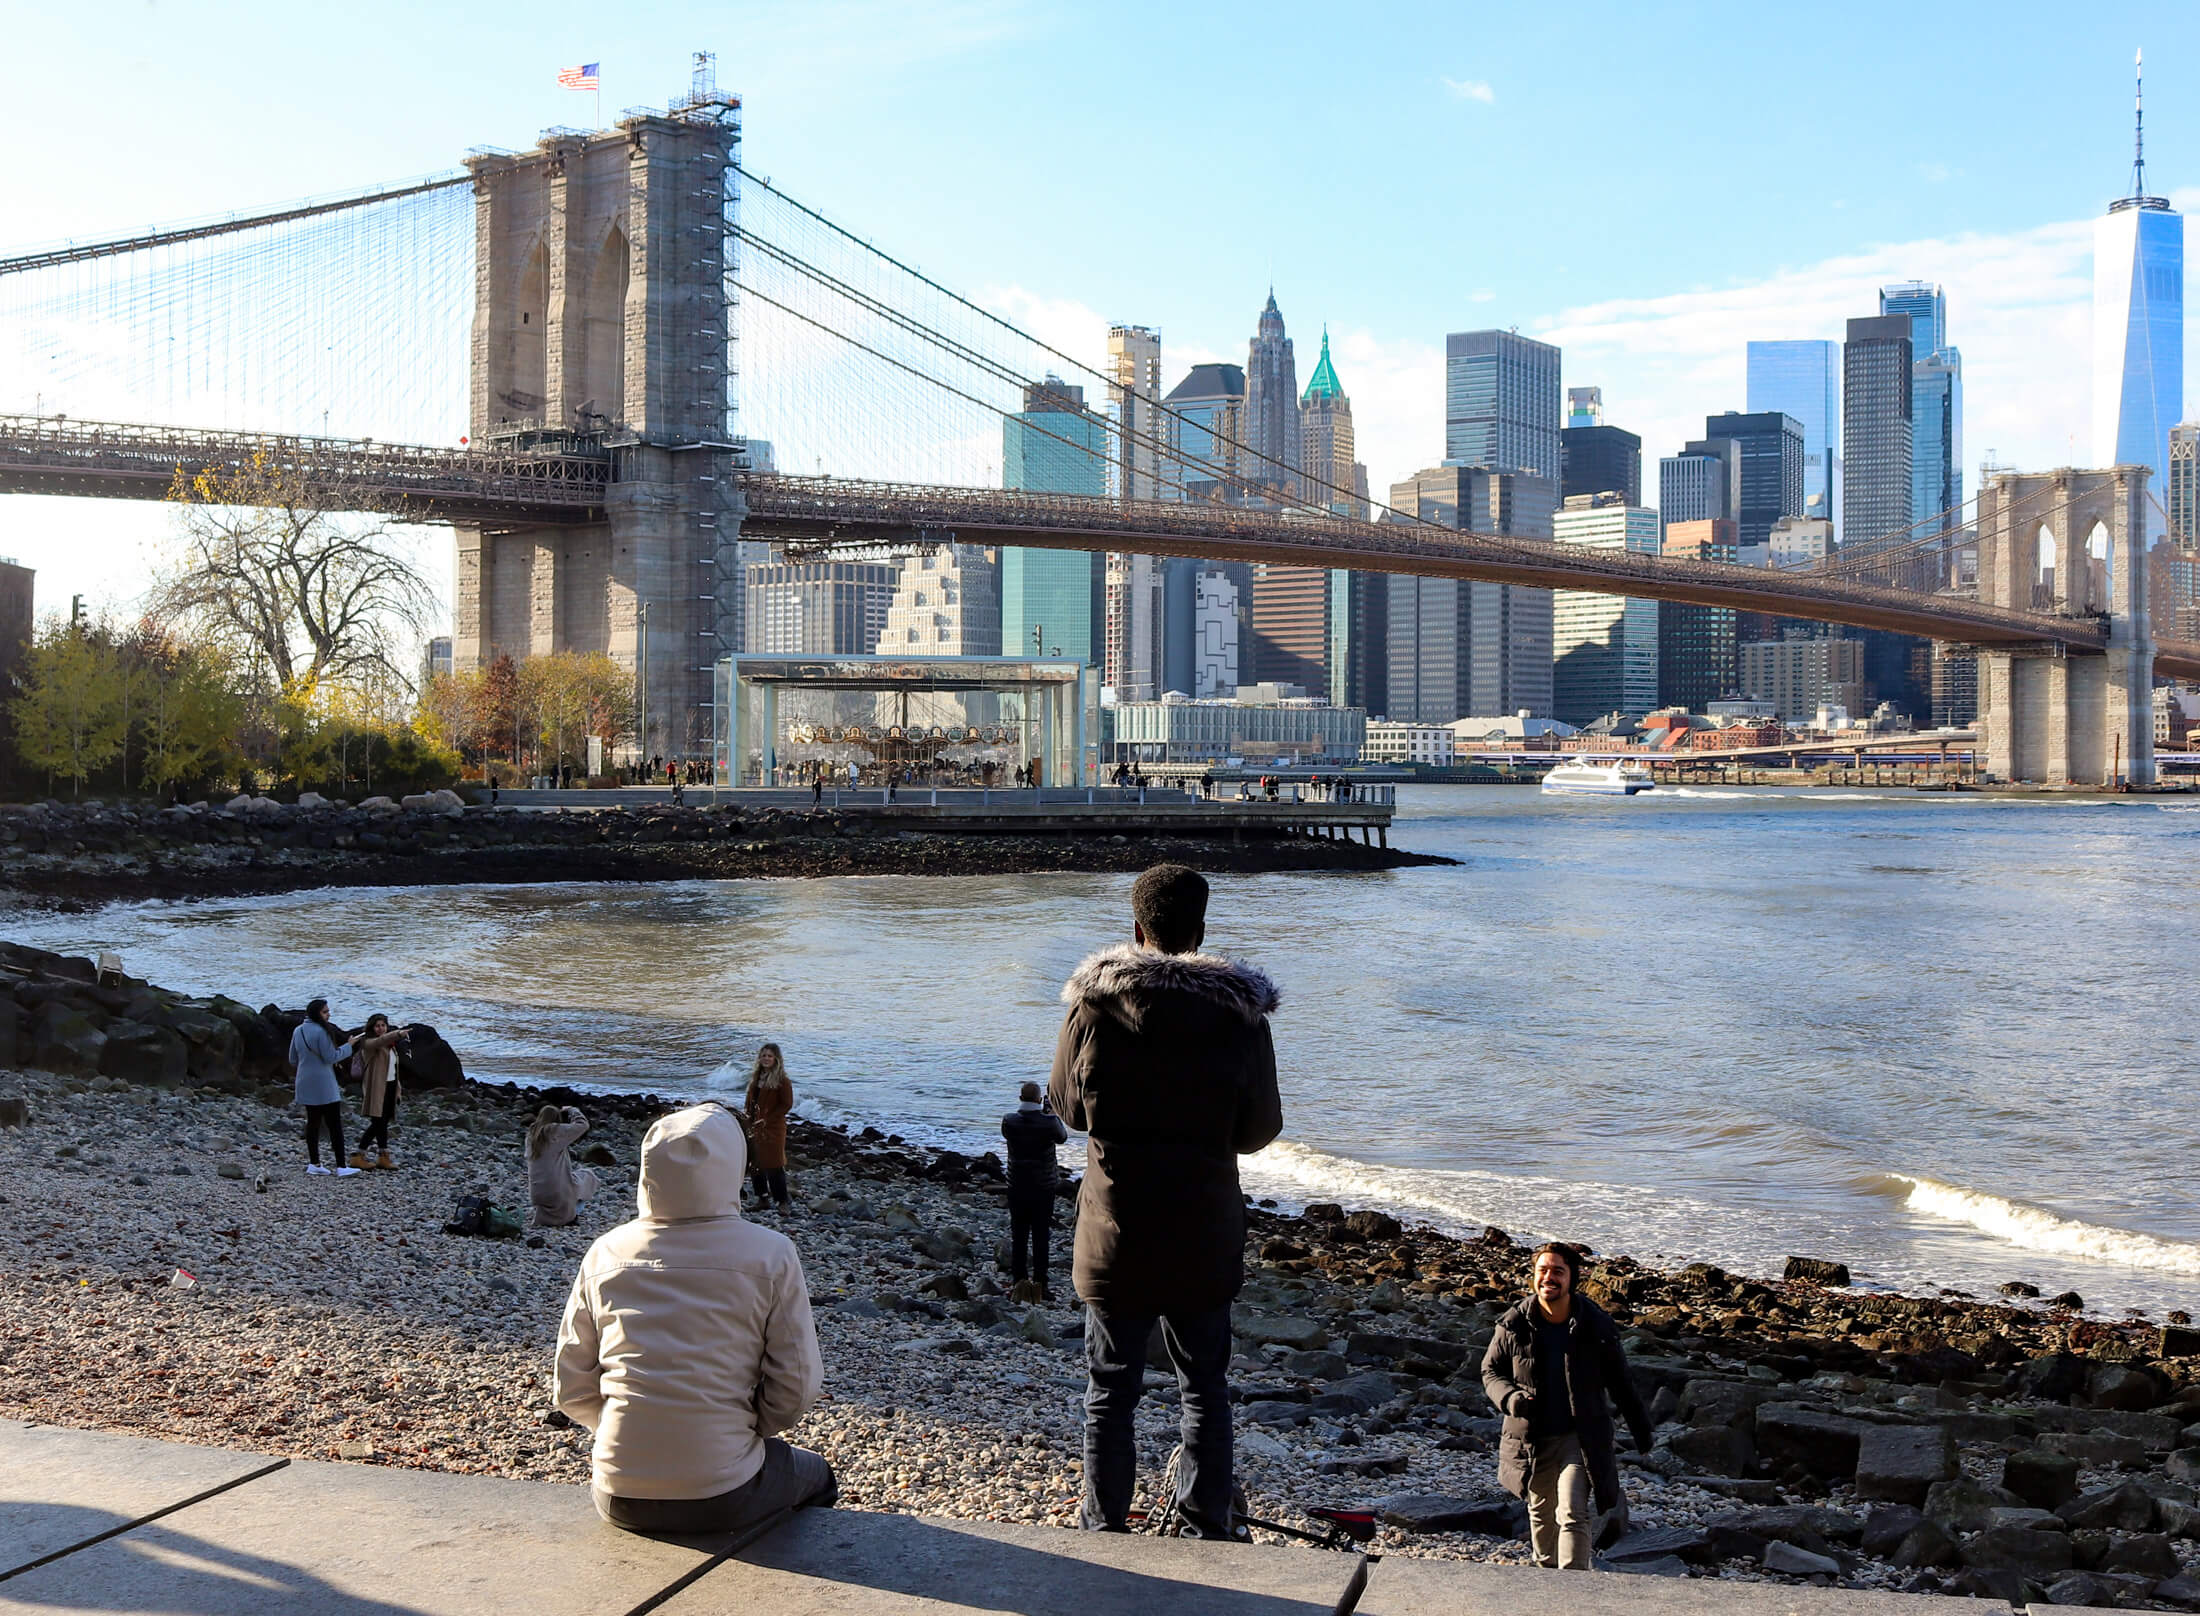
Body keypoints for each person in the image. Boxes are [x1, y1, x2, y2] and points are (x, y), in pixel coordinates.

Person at [1049, 863, 1283, 1541]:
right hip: (1202, 1231)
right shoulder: (1240, 1017)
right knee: (1204, 1387)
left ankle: (1103, 1525)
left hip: (1115, 1228)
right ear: (1201, 931)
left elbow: (1068, 1107)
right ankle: (1206, 1521)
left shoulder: (1092, 1009)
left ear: (1137, 929)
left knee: (1109, 1391)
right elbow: (1261, 1128)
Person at [555, 1103, 834, 1535]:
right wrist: (751, 1427)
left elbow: (570, 1387)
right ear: (733, 1168)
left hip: (617, 1492)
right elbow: (798, 1384)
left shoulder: (606, 1252)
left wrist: (629, 1430)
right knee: (817, 1477)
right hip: (722, 1491)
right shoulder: (770, 1253)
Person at [1481, 1241, 1654, 1572]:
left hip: (1581, 1437)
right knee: (1540, 1509)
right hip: (1531, 1437)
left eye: (1558, 1271)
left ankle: (1573, 1586)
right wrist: (1511, 1398)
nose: (1549, 1277)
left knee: (1573, 1509)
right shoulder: (1514, 1322)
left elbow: (1621, 1383)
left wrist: (1642, 1431)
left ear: (1572, 1278)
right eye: (1543, 1270)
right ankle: (1547, 1579)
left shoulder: (1596, 1325)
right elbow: (1491, 1371)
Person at [999, 1080, 1067, 1301]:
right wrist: (1052, 1114)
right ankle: (1040, 1284)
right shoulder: (1049, 1123)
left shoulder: (1009, 1121)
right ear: (1039, 1100)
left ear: (1020, 1098)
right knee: (1040, 1237)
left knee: (1019, 1235)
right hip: (1043, 1188)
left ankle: (1019, 1282)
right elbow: (1062, 1137)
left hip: (1017, 1185)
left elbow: (1016, 1131)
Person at [287, 999, 360, 1178]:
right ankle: (341, 1166)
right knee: (334, 1124)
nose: (329, 1014)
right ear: (317, 1013)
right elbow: (331, 1057)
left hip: (304, 1080)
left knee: (313, 1123)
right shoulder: (322, 1031)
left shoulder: (298, 1030)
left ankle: (314, 1163)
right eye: (325, 1012)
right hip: (324, 1083)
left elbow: (292, 1059)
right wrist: (349, 1046)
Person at [347, 1014, 410, 1170]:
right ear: (371, 1028)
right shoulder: (368, 1043)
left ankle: (383, 1157)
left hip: (389, 1086)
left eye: (383, 1025)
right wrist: (398, 1033)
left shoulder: (391, 1046)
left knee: (383, 1122)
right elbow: (380, 1041)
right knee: (378, 1122)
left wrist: (398, 1089)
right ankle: (359, 1156)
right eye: (377, 1026)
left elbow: (393, 1070)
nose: (381, 1028)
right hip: (376, 1088)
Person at [528, 1105, 601, 1227]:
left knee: (570, 1179)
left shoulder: (531, 1134)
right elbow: (583, 1125)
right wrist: (572, 1110)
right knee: (589, 1176)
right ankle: (572, 1214)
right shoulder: (554, 1131)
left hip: (536, 1193)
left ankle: (550, 1215)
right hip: (555, 1192)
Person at [743, 1044, 794, 1211]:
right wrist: (747, 1118)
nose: (766, 1058)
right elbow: (749, 1102)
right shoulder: (756, 1078)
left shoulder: (782, 1081)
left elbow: (786, 1105)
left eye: (770, 1056)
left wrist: (767, 1119)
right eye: (763, 1055)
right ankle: (762, 1198)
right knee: (755, 1163)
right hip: (754, 1126)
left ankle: (782, 1201)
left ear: (776, 1059)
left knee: (774, 1164)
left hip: (773, 1128)